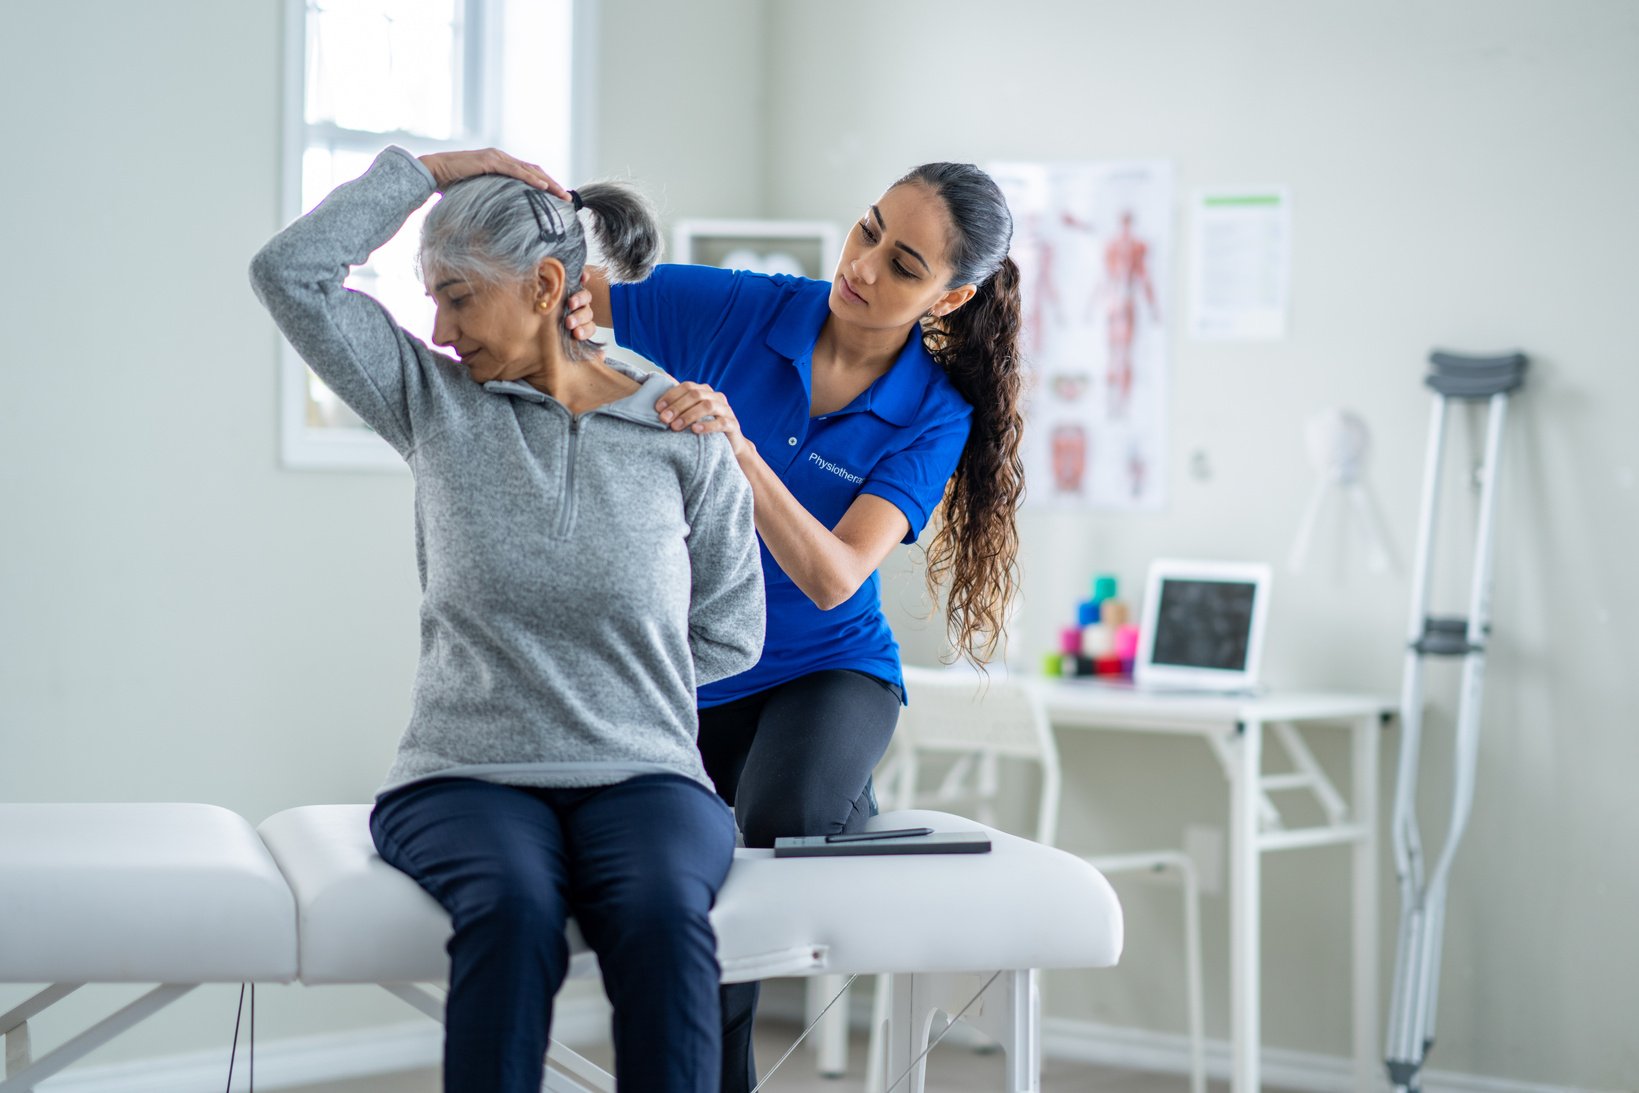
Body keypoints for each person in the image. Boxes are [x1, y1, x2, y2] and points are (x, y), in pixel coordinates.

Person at [250, 145, 765, 1093]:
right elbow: (289, 273)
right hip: (463, 774)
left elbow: (733, 631)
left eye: (455, 297)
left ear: (543, 284)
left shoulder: (685, 432)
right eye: (430, 301)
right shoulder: (433, 402)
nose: (438, 331)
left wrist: (610, 692)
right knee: (513, 909)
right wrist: (432, 170)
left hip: (645, 772)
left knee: (658, 917)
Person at [556, 160, 1026, 1091]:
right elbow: (567, 297)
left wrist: (736, 449)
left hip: (829, 669)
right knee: (691, 883)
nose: (861, 267)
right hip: (692, 671)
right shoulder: (741, 309)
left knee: (777, 822)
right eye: (865, 230)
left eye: (903, 264)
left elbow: (833, 574)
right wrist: (559, 316)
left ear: (950, 295)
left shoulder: (937, 411)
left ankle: (838, 809)